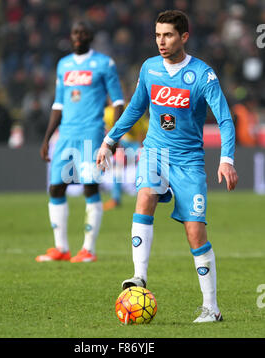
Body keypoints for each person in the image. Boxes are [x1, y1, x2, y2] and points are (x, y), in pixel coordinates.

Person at [97, 10, 238, 323]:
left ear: (184, 37)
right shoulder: (149, 68)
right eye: (158, 35)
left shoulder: (203, 75)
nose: (161, 41)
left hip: (189, 161)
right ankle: (139, 277)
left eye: (168, 35)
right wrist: (109, 141)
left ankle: (211, 308)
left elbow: (225, 119)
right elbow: (135, 109)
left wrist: (226, 159)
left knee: (195, 233)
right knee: (145, 195)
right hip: (155, 153)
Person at [36, 20, 124, 263]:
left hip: (92, 134)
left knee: (89, 186)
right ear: (71, 35)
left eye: (83, 33)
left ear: (90, 36)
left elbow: (118, 102)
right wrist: (46, 138)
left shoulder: (105, 64)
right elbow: (58, 104)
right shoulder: (63, 65)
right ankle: (61, 248)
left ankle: (88, 249)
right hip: (65, 135)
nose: (78, 36)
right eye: (75, 32)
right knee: (56, 187)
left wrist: (112, 138)